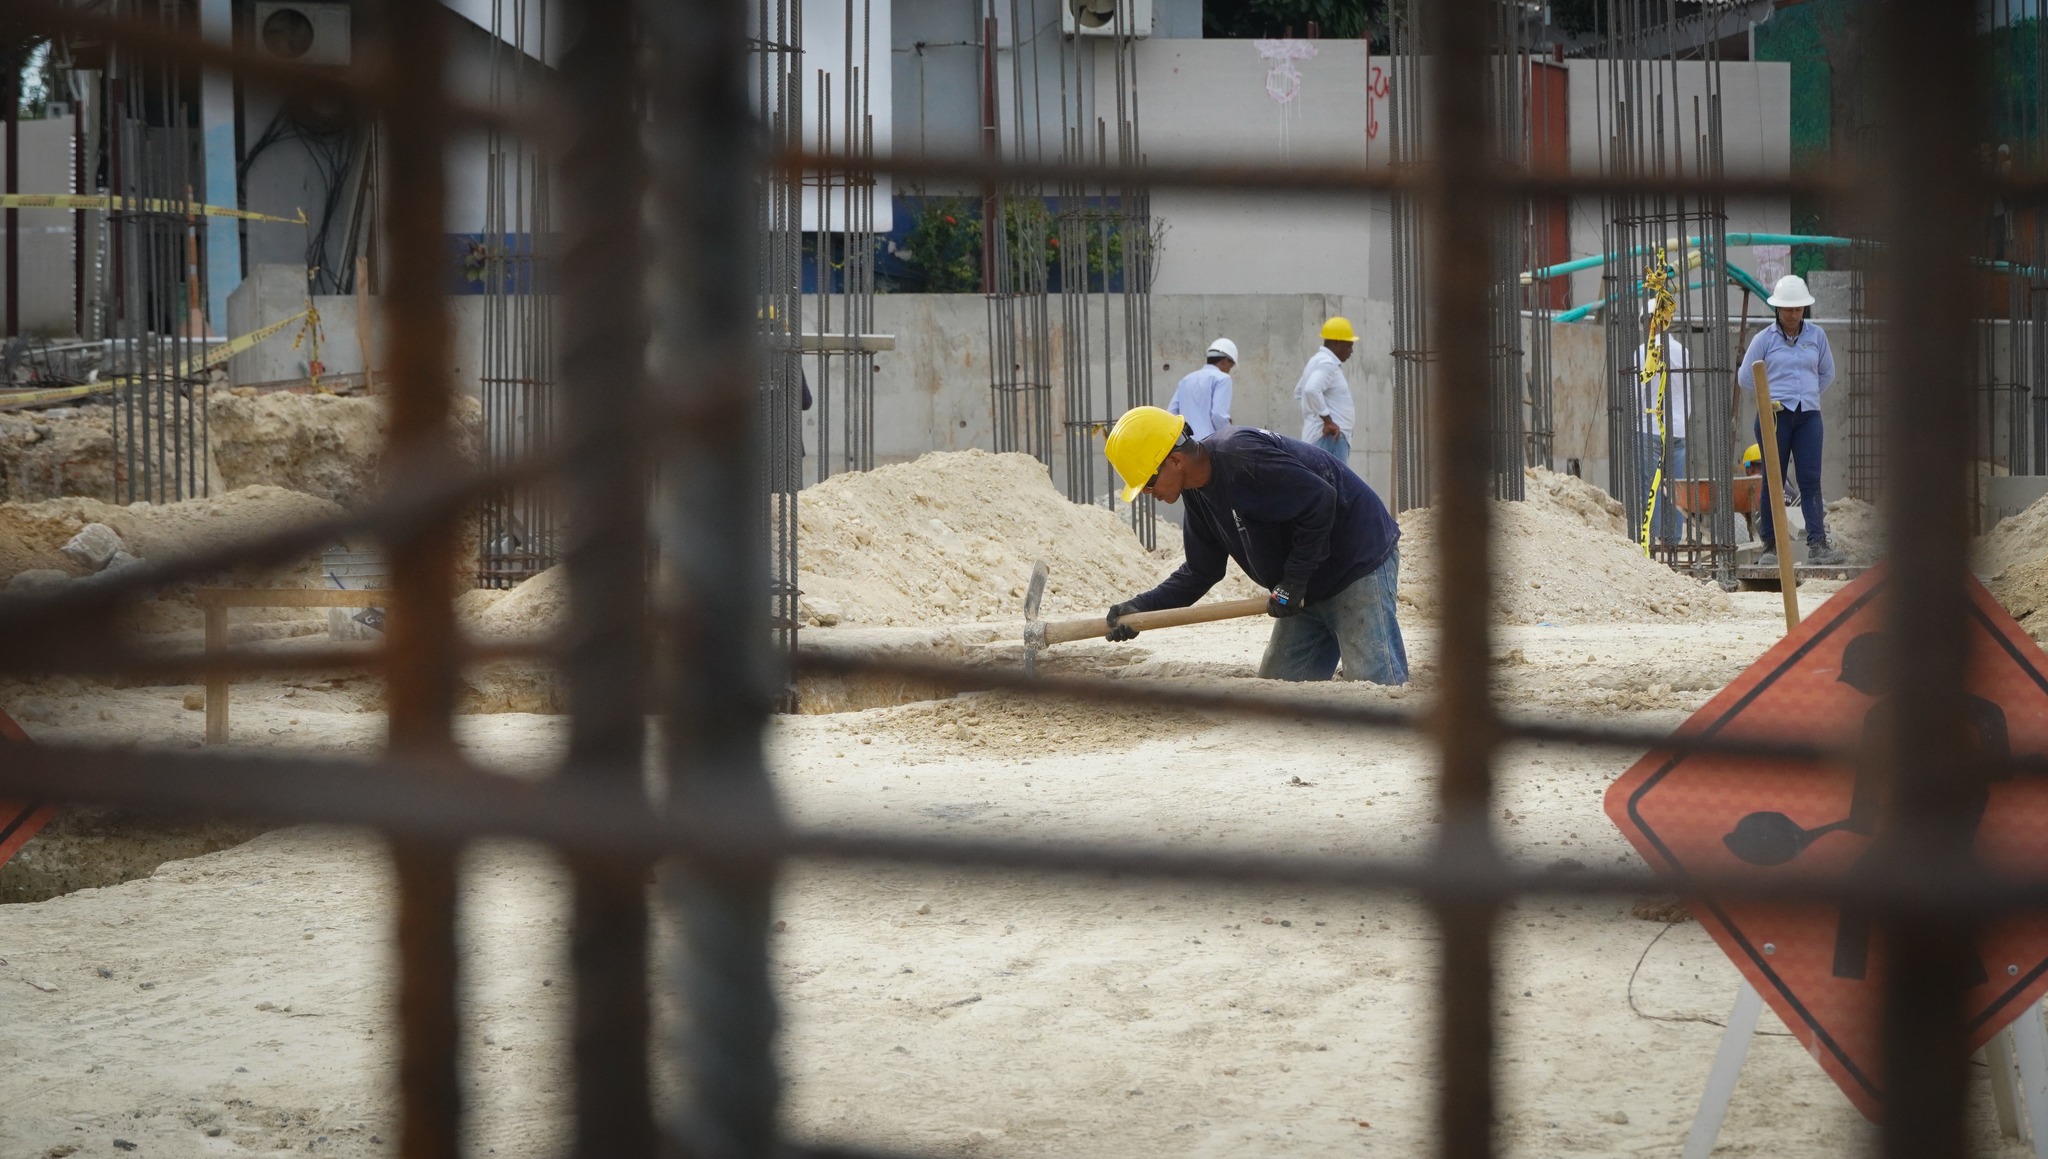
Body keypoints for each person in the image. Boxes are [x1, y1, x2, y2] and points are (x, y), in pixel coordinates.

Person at [1098, 406, 1406, 684]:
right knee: (1279, 695)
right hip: (1305, 587)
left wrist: (1293, 582)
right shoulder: (1196, 493)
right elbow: (1200, 572)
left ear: (1175, 460)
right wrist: (1142, 609)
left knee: (1378, 689)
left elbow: (1322, 499)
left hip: (1356, 564)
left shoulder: (1241, 457)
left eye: (1148, 482)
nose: (1147, 492)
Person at [1740, 274, 1842, 566]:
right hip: (1775, 416)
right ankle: (1770, 546)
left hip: (1808, 416)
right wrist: (1772, 398)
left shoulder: (1817, 337)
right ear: (1778, 309)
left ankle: (1818, 544)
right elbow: (1746, 377)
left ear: (1804, 309)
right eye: (1788, 309)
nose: (1793, 314)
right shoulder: (1764, 339)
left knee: (1810, 480)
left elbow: (1827, 373)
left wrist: (1806, 396)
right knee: (1774, 479)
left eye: (1798, 308)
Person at [1633, 302, 1690, 545]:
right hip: (1677, 429)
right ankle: (1673, 541)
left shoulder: (1641, 352)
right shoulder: (1682, 352)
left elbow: (1637, 393)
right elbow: (1687, 393)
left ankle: (1653, 540)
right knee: (1675, 488)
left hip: (1650, 428)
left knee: (1651, 487)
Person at [1294, 316, 1357, 462]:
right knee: (1333, 483)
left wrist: (1313, 415)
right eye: (1348, 345)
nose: (1351, 351)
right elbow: (1310, 389)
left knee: (1321, 482)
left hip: (1323, 437)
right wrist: (1327, 421)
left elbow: (1299, 392)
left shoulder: (1317, 361)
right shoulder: (1327, 364)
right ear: (1336, 343)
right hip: (1330, 438)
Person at [1167, 338, 1237, 440]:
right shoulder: (1222, 379)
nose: (1229, 370)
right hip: (1210, 445)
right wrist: (1229, 438)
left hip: (1187, 444)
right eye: (1230, 366)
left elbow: (1171, 413)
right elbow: (1218, 415)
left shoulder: (1186, 380)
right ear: (1224, 361)